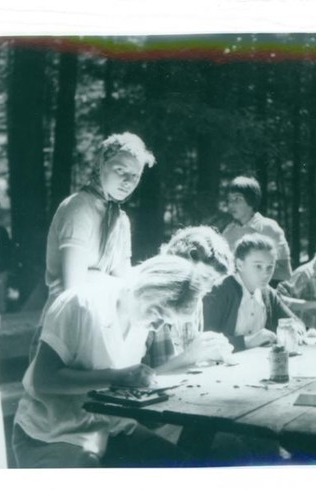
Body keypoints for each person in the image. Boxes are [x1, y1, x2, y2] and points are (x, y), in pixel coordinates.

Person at [12, 255, 213, 468]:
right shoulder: (81, 303)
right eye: (158, 313)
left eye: (166, 321)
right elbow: (43, 380)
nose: (157, 325)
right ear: (148, 287)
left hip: (110, 427)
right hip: (51, 432)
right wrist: (118, 377)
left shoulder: (142, 322)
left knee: (186, 469)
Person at [29, 132, 155, 360]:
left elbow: (123, 279)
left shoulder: (120, 220)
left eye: (135, 176)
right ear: (101, 165)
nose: (128, 181)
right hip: (67, 324)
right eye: (120, 170)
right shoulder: (78, 208)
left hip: (104, 320)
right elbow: (73, 291)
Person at [141, 225, 235, 372]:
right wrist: (190, 356)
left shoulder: (196, 300)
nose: (208, 288)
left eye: (213, 281)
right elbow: (134, 378)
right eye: (205, 277)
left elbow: (186, 360)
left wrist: (208, 352)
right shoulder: (148, 298)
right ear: (182, 262)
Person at [203, 234, 305, 352]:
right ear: (240, 264)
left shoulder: (268, 293)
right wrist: (247, 341)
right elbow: (206, 342)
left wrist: (297, 330)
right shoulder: (218, 291)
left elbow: (295, 322)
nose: (266, 273)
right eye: (258, 266)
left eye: (270, 267)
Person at [222, 176, 292, 283]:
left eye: (237, 199)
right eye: (229, 200)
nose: (231, 204)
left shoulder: (269, 228)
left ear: (251, 201)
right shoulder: (228, 233)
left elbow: (285, 273)